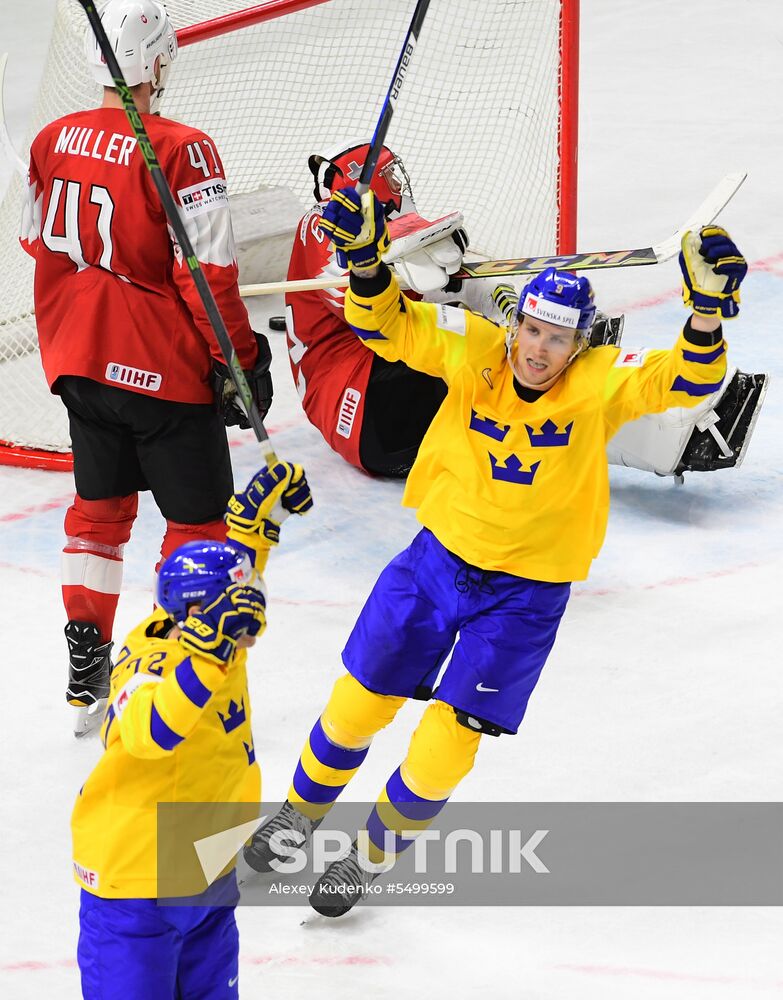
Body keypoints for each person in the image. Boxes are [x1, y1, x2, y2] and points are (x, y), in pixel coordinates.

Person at [245, 181, 746, 918]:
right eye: (532, 331)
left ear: (581, 344)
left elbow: (689, 377)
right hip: (434, 564)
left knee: (449, 744)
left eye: (557, 338)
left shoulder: (599, 385)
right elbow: (384, 326)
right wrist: (361, 260)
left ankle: (367, 858)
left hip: (524, 597)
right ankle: (299, 814)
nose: (539, 351)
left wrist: (704, 315)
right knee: (357, 703)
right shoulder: (475, 350)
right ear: (515, 326)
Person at [19, 0, 273, 736]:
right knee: (199, 525)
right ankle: (170, 677)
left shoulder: (49, 138)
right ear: (159, 65)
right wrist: (240, 358)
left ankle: (85, 679)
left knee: (98, 519)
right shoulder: (183, 147)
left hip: (78, 361)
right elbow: (210, 273)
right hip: (161, 371)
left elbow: (39, 244)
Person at [284, 144, 766, 482]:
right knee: (504, 380)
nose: (398, 183)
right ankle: (668, 440)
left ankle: (572, 362)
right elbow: (380, 308)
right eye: (387, 177)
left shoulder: (383, 228)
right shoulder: (321, 227)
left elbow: (445, 279)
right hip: (363, 411)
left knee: (503, 358)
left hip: (385, 393)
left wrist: (507, 307)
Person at [71, 460, 313, 998]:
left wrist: (253, 524)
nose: (254, 614)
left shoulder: (218, 634)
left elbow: (236, 586)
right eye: (239, 606)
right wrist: (205, 657)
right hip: (135, 887)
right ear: (197, 615)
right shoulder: (149, 662)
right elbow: (149, 732)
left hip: (207, 869)